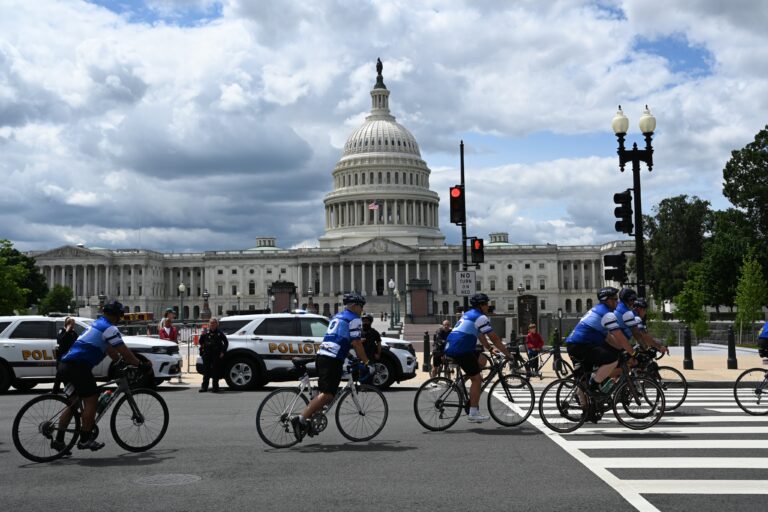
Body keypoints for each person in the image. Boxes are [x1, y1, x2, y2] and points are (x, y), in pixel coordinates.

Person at [54, 300, 147, 451]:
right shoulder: (109, 328)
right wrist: (140, 365)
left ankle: (58, 440)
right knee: (91, 399)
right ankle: (85, 440)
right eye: (120, 316)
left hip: (65, 366)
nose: (120, 319)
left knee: (74, 405)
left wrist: (119, 362)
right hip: (78, 367)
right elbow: (124, 351)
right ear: (116, 316)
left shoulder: (96, 325)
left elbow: (109, 348)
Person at [291, 293, 374, 442]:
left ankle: (310, 421)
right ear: (354, 306)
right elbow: (357, 343)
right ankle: (301, 419)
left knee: (324, 394)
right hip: (332, 358)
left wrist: (349, 355)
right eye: (361, 306)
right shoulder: (354, 319)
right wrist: (367, 362)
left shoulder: (338, 316)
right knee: (328, 394)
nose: (362, 309)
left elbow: (340, 338)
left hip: (323, 355)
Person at [444, 293, 512, 423]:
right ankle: (473, 412)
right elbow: (495, 338)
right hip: (461, 348)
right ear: (481, 305)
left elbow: (480, 334)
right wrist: (508, 354)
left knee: (482, 359)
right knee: (477, 379)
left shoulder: (469, 314)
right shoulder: (481, 317)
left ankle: (461, 382)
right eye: (486, 304)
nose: (488, 306)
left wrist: (490, 348)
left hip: (454, 345)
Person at [565, 287, 636, 396]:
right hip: (581, 345)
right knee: (612, 359)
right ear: (607, 300)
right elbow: (619, 336)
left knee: (585, 380)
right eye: (615, 299)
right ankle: (594, 386)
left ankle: (586, 408)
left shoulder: (598, 310)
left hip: (576, 344)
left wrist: (621, 349)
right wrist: (633, 353)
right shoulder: (607, 314)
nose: (617, 302)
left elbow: (609, 337)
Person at [198, 317, 228, 392]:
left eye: (214, 323)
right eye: (211, 323)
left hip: (216, 354)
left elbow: (226, 343)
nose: (212, 325)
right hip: (207, 354)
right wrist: (202, 335)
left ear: (217, 324)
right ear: (209, 324)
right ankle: (204, 387)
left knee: (215, 371)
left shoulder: (219, 333)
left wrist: (222, 352)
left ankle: (215, 387)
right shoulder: (206, 333)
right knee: (206, 371)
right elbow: (201, 342)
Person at [52, 317, 78, 393]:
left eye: (74, 324)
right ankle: (58, 392)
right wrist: (67, 331)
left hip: (70, 357)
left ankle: (56, 391)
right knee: (61, 375)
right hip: (62, 357)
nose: (73, 326)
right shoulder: (62, 331)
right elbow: (60, 341)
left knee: (61, 375)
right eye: (72, 324)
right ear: (67, 324)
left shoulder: (73, 333)